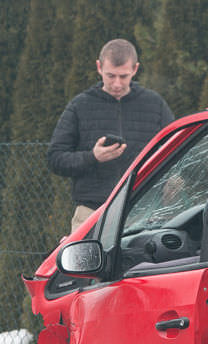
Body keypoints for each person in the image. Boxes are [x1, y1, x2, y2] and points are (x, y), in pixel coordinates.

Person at [48, 39, 174, 233]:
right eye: (110, 76)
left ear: (135, 69)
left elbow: (174, 150)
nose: (117, 83)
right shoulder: (80, 106)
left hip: (143, 213)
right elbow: (55, 158)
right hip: (91, 213)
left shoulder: (155, 105)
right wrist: (92, 157)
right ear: (99, 67)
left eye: (123, 76)